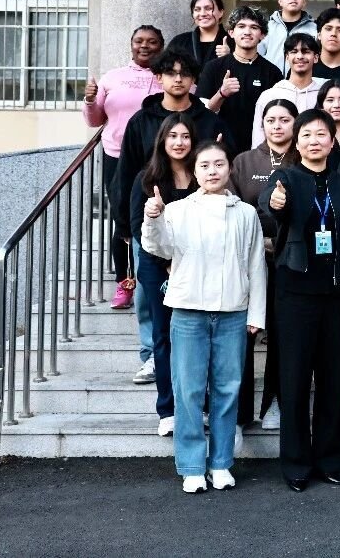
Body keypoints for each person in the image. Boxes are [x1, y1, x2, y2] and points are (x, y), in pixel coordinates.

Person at [260, 109, 340, 492]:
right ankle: (295, 462)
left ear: (332, 141)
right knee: (294, 381)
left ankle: (330, 457)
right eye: (306, 134)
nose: (314, 140)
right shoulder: (286, 177)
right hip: (295, 294)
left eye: (321, 134)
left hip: (337, 294)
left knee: (330, 380)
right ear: (297, 142)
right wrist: (275, 203)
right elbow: (269, 203)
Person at [142, 139, 267, 494]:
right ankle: (193, 466)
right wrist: (153, 219)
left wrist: (255, 312)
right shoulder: (178, 210)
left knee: (228, 390)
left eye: (219, 165)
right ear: (194, 171)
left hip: (232, 312)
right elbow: (158, 247)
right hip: (188, 312)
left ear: (229, 169)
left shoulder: (244, 213)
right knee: (189, 391)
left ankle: (222, 462)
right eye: (205, 166)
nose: (212, 171)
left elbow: (257, 265)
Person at [82, 24, 163, 315]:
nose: (145, 46)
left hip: (158, 159)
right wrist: (90, 100)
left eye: (152, 42)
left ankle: (158, 279)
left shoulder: (169, 77)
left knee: (159, 215)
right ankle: (124, 282)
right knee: (122, 219)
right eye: (139, 41)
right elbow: (94, 120)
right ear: (131, 45)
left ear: (161, 46)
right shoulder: (113, 77)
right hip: (118, 157)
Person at [115, 48, 231, 246]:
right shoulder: (141, 121)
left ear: (193, 79)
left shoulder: (211, 122)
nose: (178, 79)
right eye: (171, 73)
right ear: (159, 77)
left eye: (185, 73)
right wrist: (124, 225)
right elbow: (126, 172)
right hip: (149, 220)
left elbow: (227, 170)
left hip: (201, 226)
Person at [129, 114, 199, 438]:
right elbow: (135, 227)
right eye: (173, 136)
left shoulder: (203, 176)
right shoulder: (147, 178)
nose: (179, 142)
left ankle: (200, 405)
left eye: (185, 136)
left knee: (197, 338)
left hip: (197, 267)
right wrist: (164, 260)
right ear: (162, 141)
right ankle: (168, 409)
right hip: (158, 267)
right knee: (163, 336)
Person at [230, 99, 297, 432]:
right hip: (250, 260)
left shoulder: (302, 158)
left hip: (290, 261)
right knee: (245, 334)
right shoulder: (244, 161)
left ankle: (274, 403)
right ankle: (240, 411)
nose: (277, 126)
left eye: (285, 119)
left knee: (282, 335)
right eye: (271, 120)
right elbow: (235, 208)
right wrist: (260, 237)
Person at [198, 6, 283, 156]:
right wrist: (221, 94)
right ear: (231, 32)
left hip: (260, 151)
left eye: (254, 27)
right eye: (241, 26)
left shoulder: (273, 72)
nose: (247, 32)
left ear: (262, 35)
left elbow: (279, 115)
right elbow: (201, 112)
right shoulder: (213, 67)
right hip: (220, 148)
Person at [251, 33, 328, 149]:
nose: (300, 56)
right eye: (294, 51)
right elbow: (259, 136)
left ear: (316, 57)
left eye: (306, 51)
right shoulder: (270, 95)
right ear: (287, 57)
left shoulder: (325, 94)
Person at [260, 0, 318, 75]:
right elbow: (257, 55)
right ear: (280, 1)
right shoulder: (267, 26)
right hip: (270, 82)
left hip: (302, 83)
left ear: (304, 1)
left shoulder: (314, 28)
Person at [166, 0, 230, 71]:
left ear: (221, 12)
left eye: (209, 8)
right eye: (197, 9)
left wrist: (230, 57)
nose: (202, 13)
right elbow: (166, 71)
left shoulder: (233, 42)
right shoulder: (179, 42)